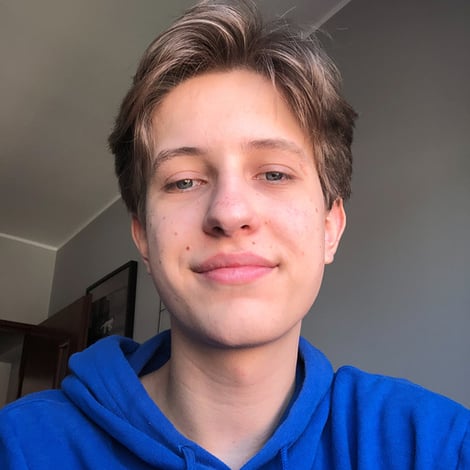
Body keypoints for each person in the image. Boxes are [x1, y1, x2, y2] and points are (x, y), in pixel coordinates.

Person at [1, 1, 468, 468]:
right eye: (184, 181)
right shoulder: (20, 447)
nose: (229, 212)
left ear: (330, 227)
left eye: (274, 174)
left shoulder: (436, 446)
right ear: (143, 236)